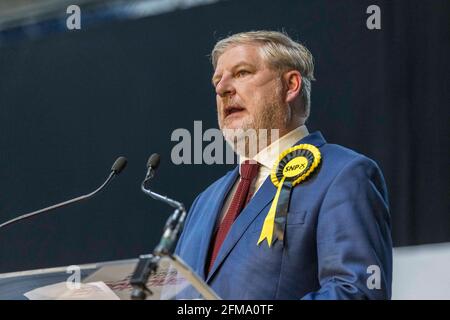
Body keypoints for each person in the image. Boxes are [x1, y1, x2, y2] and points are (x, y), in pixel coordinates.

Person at [175, 30, 392, 299]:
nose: (222, 89)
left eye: (242, 73)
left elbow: (356, 292)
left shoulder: (344, 175)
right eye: (217, 80)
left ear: (290, 85)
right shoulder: (203, 202)